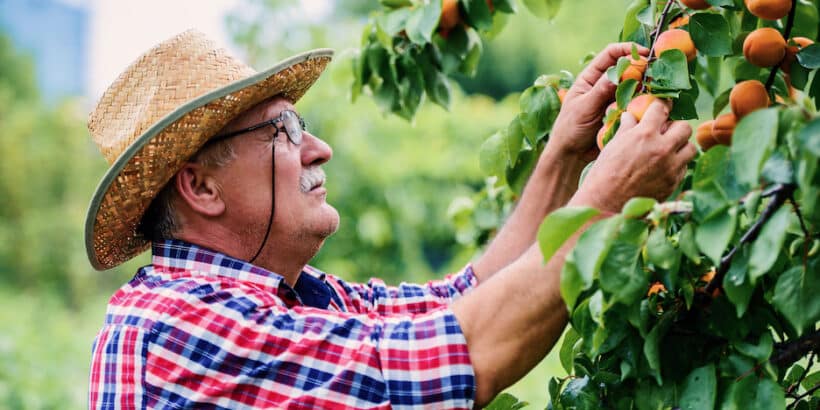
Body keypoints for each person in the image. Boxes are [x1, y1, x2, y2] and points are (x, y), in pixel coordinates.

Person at [86, 30, 695, 409]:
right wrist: (606, 202)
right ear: (200, 185)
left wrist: (563, 158)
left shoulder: (282, 300)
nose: (317, 148)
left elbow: (459, 301)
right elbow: (443, 360)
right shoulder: (176, 329)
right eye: (285, 131)